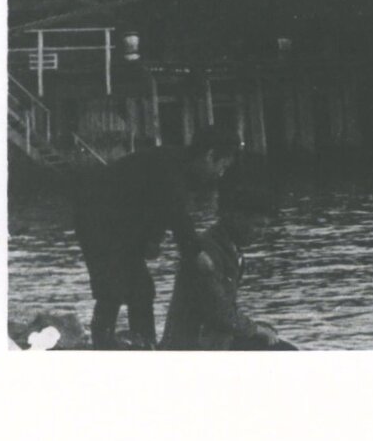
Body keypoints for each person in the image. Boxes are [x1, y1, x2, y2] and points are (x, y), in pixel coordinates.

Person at [72, 125, 237, 348]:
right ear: (209, 156)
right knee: (111, 290)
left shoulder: (178, 166)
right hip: (95, 219)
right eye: (223, 166)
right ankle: (102, 345)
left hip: (121, 223)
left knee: (141, 290)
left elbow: (157, 207)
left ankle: (145, 345)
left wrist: (151, 241)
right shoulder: (171, 168)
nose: (221, 174)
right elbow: (177, 215)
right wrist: (196, 253)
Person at [160, 174, 294, 351]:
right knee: (285, 352)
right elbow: (216, 311)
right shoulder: (208, 252)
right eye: (258, 226)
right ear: (237, 218)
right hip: (195, 344)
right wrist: (254, 329)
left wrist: (255, 328)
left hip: (212, 338)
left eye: (264, 227)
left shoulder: (228, 249)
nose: (261, 233)